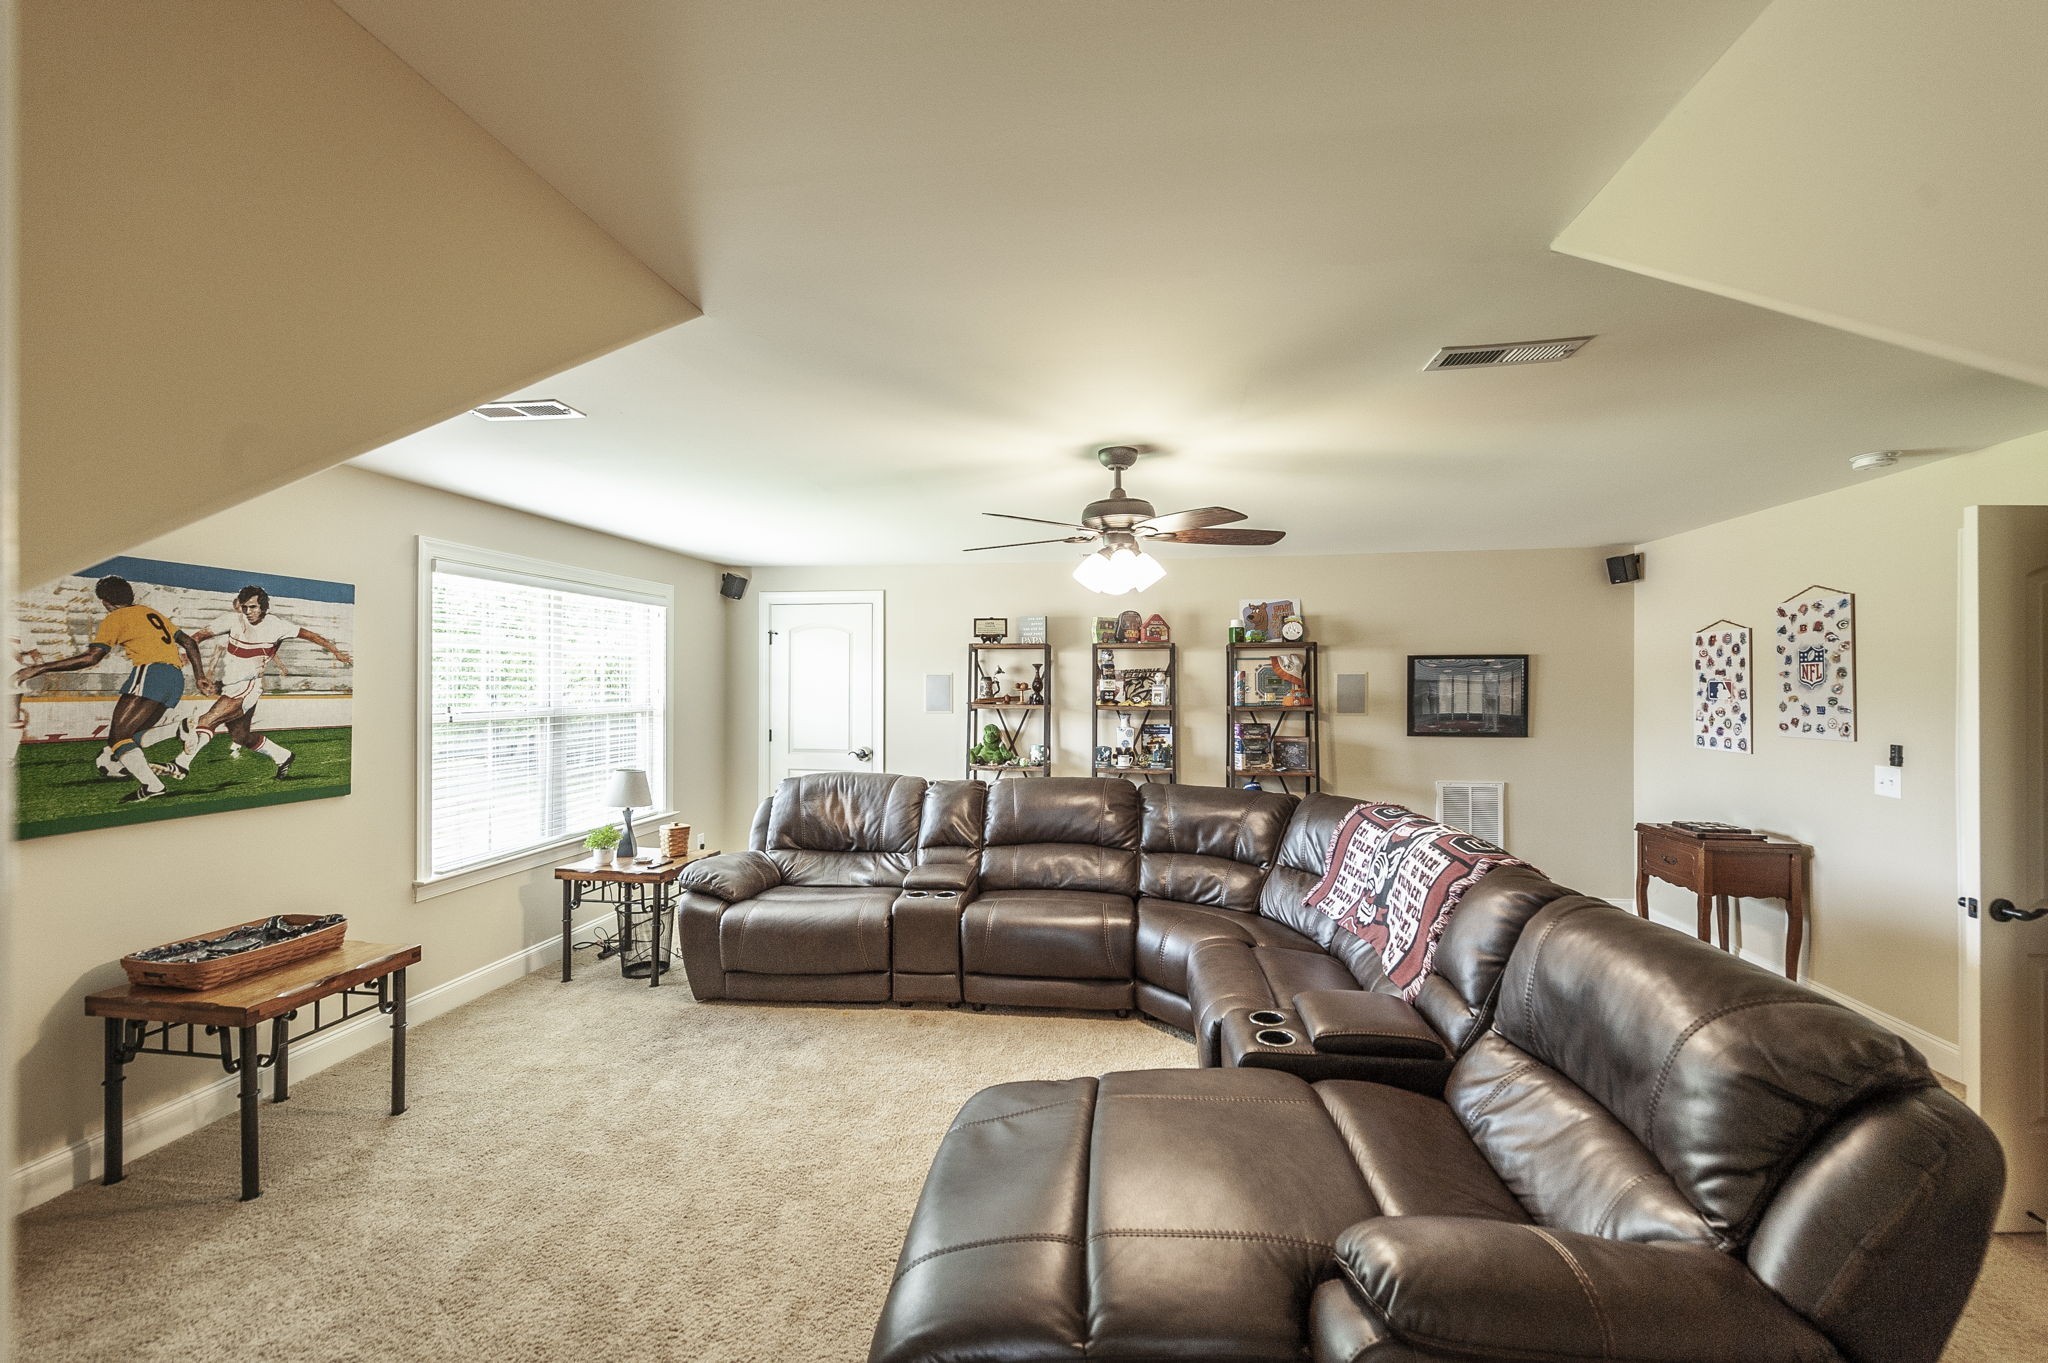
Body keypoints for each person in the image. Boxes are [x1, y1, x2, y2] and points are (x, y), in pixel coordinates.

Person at [11, 575, 205, 802]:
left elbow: (92, 657)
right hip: (175, 678)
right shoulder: (149, 612)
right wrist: (199, 676)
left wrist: (40, 668)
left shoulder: (116, 617)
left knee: (117, 738)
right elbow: (189, 642)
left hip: (151, 673)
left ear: (105, 602)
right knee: (130, 736)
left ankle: (153, 785)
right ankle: (177, 730)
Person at [162, 584, 351, 782]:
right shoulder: (232, 620)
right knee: (240, 737)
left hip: (248, 687)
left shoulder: (277, 625)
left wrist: (335, 651)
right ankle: (283, 756)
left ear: (263, 606)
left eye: (253, 607)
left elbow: (310, 635)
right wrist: (184, 653)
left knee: (207, 720)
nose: (248, 612)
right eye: (245, 607)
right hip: (229, 686)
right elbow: (199, 636)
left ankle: (181, 764)